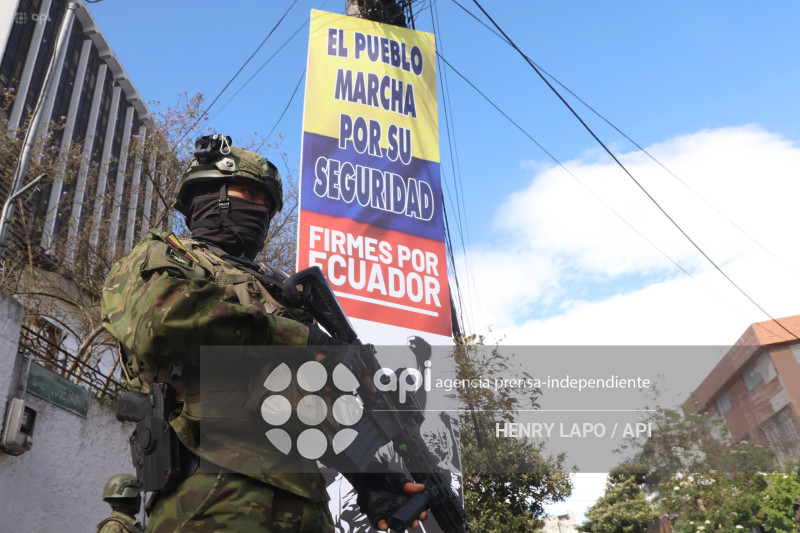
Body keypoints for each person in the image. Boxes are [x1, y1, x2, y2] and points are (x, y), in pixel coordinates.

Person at [101, 135, 427, 532]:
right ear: (207, 195)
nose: (258, 209)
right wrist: (300, 339)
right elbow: (165, 321)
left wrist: (372, 481)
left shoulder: (274, 290)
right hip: (213, 493)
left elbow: (314, 403)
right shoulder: (165, 257)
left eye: (266, 204)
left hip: (307, 502)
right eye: (247, 193)